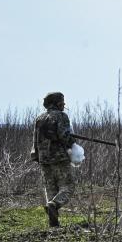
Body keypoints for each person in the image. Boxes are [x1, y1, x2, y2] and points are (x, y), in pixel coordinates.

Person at [30, 91, 75, 228]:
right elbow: (64, 136)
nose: (64, 104)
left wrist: (36, 155)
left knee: (50, 190)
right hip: (59, 158)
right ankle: (54, 205)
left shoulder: (39, 118)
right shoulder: (61, 116)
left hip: (43, 160)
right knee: (68, 187)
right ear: (56, 103)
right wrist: (72, 142)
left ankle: (53, 223)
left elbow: (35, 140)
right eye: (62, 101)